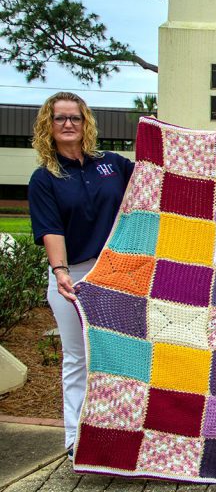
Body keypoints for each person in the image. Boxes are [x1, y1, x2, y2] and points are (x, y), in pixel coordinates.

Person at [28, 92, 134, 459]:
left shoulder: (112, 164)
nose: (68, 124)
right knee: (78, 357)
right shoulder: (44, 178)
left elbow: (156, 181)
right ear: (49, 125)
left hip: (116, 272)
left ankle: (119, 433)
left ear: (86, 122)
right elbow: (50, 229)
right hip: (71, 274)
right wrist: (60, 272)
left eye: (75, 117)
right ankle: (75, 438)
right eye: (60, 119)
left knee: (119, 356)